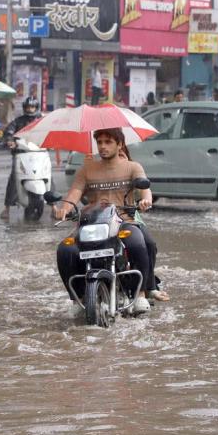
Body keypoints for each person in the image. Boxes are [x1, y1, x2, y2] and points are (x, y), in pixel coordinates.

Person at [53, 128, 169, 312]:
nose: (103, 146)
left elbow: (144, 187)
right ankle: (78, 299)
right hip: (92, 223)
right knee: (65, 250)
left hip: (123, 221)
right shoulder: (86, 169)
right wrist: (64, 209)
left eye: (108, 142)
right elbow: (74, 193)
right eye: (99, 142)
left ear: (120, 144)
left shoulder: (132, 167)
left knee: (141, 243)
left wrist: (146, 199)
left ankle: (140, 294)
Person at [0, 97, 41, 220]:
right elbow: (9, 132)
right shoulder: (17, 121)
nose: (30, 109)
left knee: (48, 175)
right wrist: (9, 141)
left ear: (36, 108)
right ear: (24, 108)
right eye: (28, 107)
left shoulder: (41, 121)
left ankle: (54, 205)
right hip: (20, 154)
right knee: (14, 177)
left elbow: (49, 133)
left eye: (32, 107)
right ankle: (6, 208)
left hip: (38, 155)